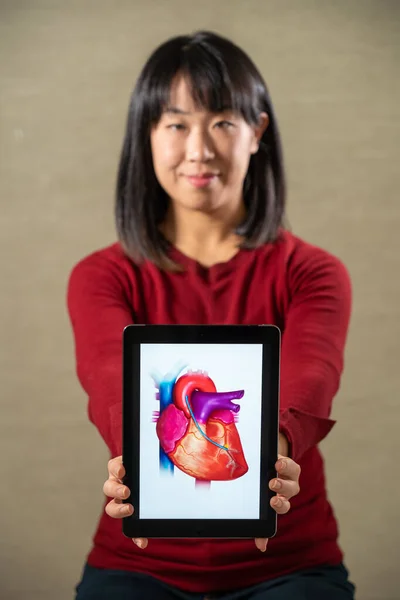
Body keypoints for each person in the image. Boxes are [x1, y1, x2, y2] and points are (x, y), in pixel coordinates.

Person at [67, 30, 355, 600]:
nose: (199, 149)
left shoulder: (313, 272)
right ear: (147, 136)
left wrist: (274, 445)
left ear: (258, 132)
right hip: (136, 562)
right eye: (175, 123)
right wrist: (138, 453)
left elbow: (311, 376)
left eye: (223, 121)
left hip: (288, 562)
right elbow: (110, 380)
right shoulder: (103, 275)